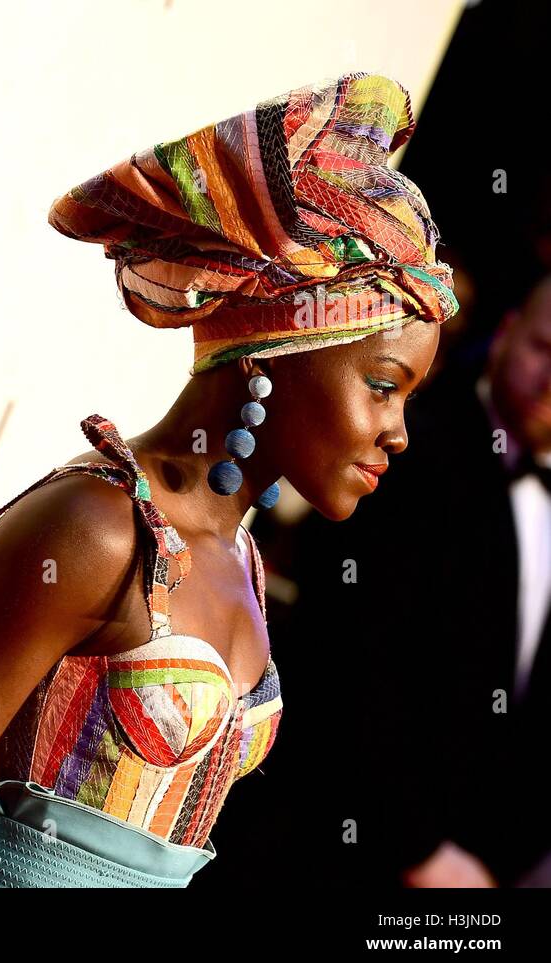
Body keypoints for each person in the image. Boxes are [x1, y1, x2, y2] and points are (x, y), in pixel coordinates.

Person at [0, 71, 459, 887]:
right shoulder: (92, 530)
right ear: (274, 348)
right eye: (383, 384)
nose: (398, 432)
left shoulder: (243, 564)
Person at [207, 272, 551, 889]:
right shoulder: (407, 456)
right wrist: (420, 850)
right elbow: (342, 653)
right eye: (544, 350)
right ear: (505, 333)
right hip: (318, 846)